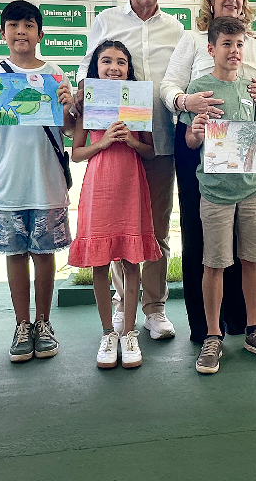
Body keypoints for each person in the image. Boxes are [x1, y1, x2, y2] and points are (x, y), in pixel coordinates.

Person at [160, 0, 256, 344]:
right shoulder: (193, 39)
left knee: (246, 246)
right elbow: (169, 86)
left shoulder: (253, 44)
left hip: (245, 156)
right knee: (203, 238)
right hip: (198, 144)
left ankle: (245, 325)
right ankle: (206, 330)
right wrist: (185, 102)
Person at [75, 0, 183, 340]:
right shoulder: (105, 21)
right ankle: (123, 306)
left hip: (158, 142)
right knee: (118, 229)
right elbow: (87, 77)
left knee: (155, 229)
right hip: (112, 146)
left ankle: (155, 309)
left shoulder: (177, 29)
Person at [181, 16, 256, 374]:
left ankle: (254, 330)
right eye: (226, 44)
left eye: (239, 44)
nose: (234, 51)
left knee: (253, 260)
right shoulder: (200, 87)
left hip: (252, 189)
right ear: (211, 49)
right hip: (214, 192)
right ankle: (213, 335)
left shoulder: (254, 87)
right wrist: (195, 131)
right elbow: (192, 141)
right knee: (215, 263)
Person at [0, 0, 75, 362]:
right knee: (15, 255)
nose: (21, 31)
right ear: (3, 34)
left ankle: (44, 323)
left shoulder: (56, 74)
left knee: (44, 255)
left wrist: (68, 105)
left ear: (40, 34)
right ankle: (22, 325)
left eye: (29, 25)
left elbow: (68, 130)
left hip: (47, 182)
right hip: (7, 184)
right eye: (13, 24)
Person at [68, 41, 161, 369]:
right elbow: (77, 152)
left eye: (121, 62)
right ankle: (108, 332)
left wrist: (131, 140)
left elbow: (149, 151)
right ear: (95, 68)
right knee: (99, 263)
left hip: (131, 187)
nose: (114, 67)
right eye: (106, 61)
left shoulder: (136, 102)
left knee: (131, 261)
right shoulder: (87, 103)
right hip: (98, 187)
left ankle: (129, 332)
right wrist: (104, 141)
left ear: (128, 69)